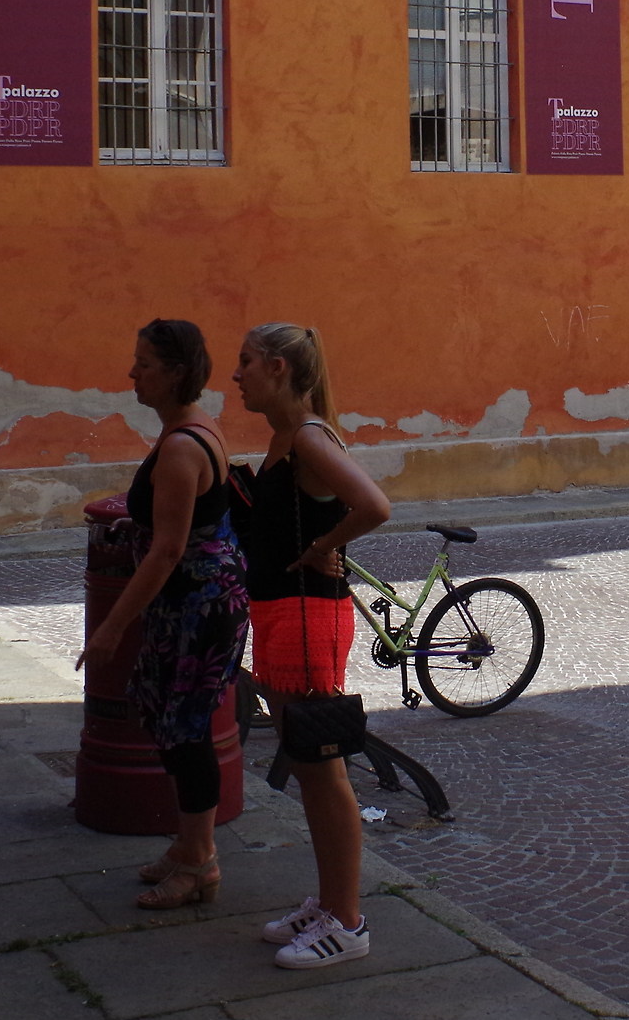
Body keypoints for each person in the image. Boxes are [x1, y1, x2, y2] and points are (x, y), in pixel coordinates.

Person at [232, 322, 392, 971]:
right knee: (304, 763)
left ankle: (347, 921)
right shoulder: (285, 438)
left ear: (275, 367)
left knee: (322, 769)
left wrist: (325, 549)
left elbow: (373, 504)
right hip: (281, 612)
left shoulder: (306, 438)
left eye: (243, 362)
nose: (234, 374)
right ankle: (329, 903)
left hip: (306, 617)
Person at [76, 319, 249, 911]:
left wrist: (111, 627)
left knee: (189, 731)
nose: (132, 373)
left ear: (175, 373)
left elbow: (170, 548)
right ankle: (187, 846)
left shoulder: (180, 446)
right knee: (177, 724)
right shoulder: (196, 427)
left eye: (144, 363)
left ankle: (200, 862)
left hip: (195, 608)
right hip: (199, 599)